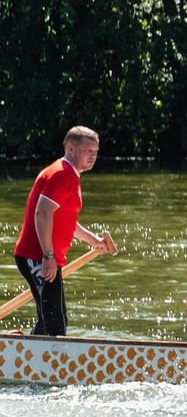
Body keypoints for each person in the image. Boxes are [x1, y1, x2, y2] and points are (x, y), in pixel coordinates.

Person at [12, 126, 115, 336]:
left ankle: (29, 359)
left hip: (43, 257)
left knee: (52, 319)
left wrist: (93, 240)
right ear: (70, 147)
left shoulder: (68, 174)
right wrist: (47, 256)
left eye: (95, 152)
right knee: (55, 322)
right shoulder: (62, 174)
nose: (93, 156)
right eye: (88, 151)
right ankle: (48, 364)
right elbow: (42, 213)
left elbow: (65, 221)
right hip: (37, 257)